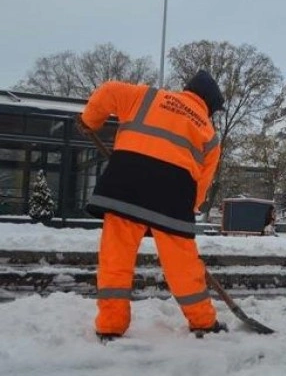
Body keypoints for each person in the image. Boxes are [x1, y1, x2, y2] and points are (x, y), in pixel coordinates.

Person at [77, 70, 227, 342]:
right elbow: (201, 185)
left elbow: (108, 90)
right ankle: (203, 321)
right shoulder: (209, 132)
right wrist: (179, 214)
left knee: (115, 259)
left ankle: (111, 324)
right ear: (209, 105)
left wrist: (90, 120)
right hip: (173, 197)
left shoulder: (146, 96)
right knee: (184, 266)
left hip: (125, 186)